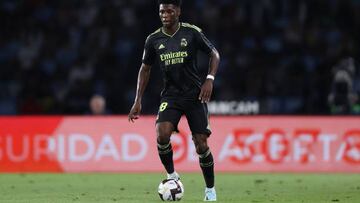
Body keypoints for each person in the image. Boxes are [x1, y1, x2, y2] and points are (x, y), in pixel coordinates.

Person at [128, 0, 220, 201]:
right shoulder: (153, 39)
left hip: (195, 95)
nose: (165, 15)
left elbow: (214, 54)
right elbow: (145, 69)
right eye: (162, 11)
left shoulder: (192, 32)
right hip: (170, 96)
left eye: (169, 11)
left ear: (178, 11)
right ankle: (172, 176)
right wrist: (138, 100)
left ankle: (210, 190)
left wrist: (209, 79)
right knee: (162, 134)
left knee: (201, 144)